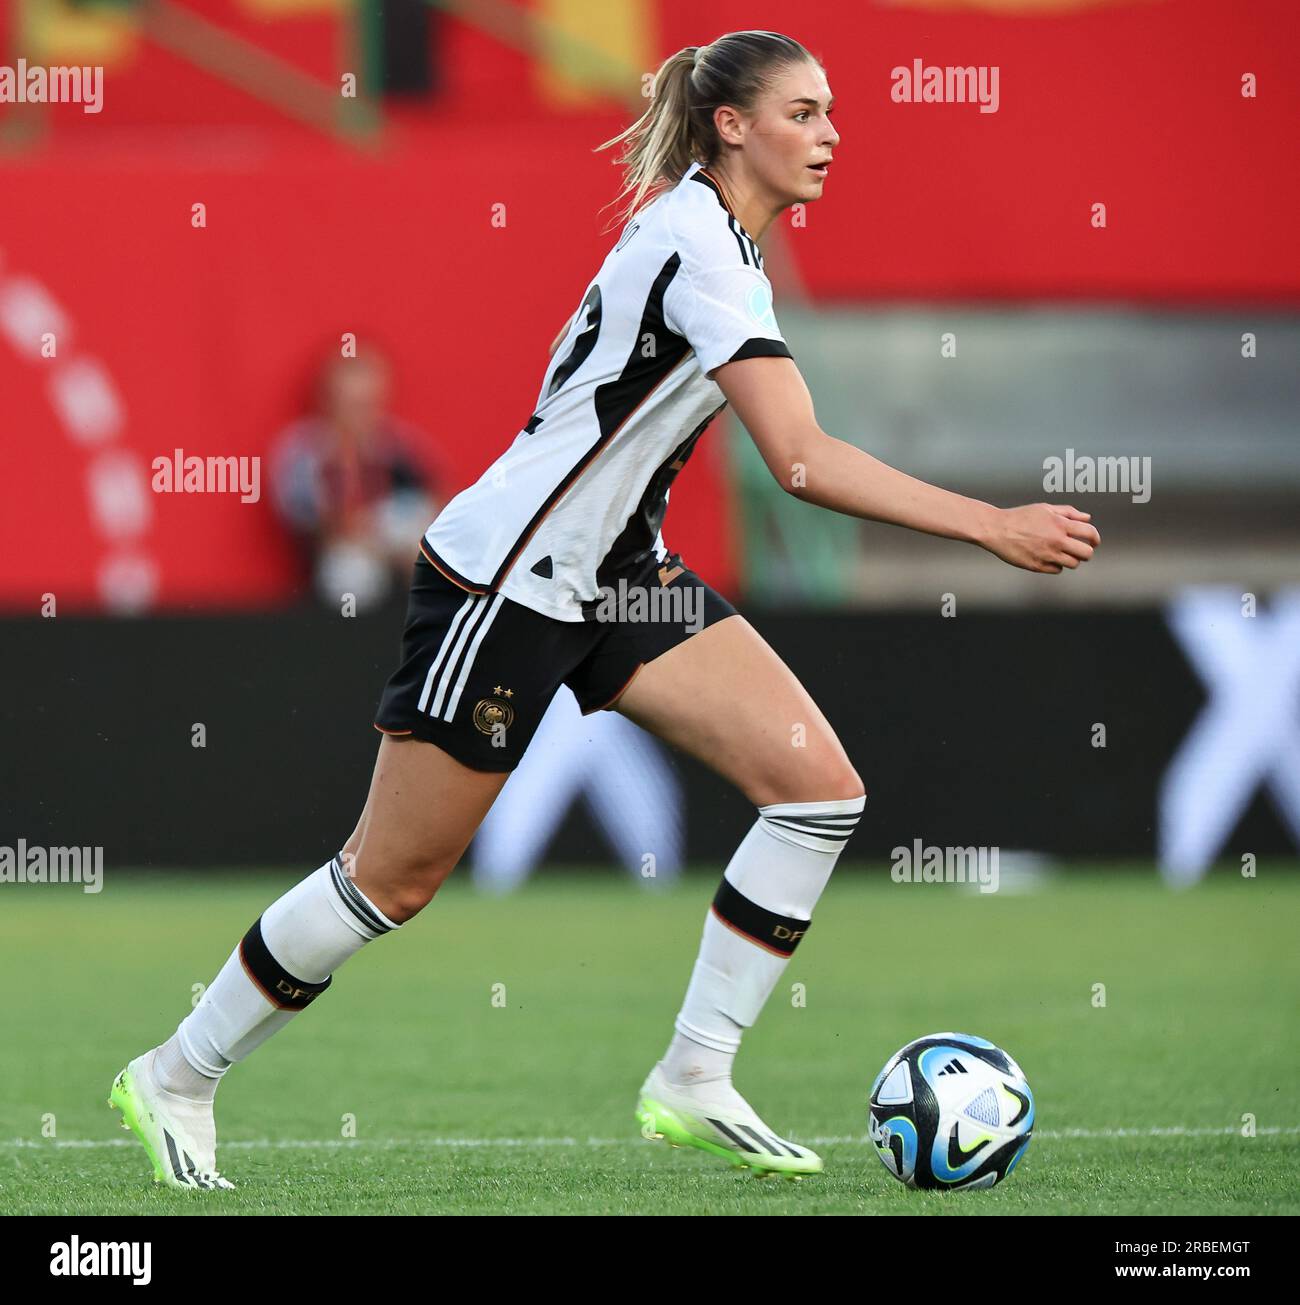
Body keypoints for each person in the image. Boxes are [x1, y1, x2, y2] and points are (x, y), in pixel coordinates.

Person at [109, 30, 1098, 1188]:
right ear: (731, 125)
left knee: (818, 790)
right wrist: (990, 526)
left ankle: (694, 1073)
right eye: (804, 112)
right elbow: (803, 462)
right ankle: (176, 1072)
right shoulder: (704, 251)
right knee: (391, 880)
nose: (830, 136)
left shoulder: (716, 237)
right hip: (512, 580)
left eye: (832, 114)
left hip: (617, 571)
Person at [268, 348, 442, 611]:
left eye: (369, 404)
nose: (361, 415)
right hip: (344, 555)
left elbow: (439, 500)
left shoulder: (397, 444)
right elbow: (307, 518)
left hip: (396, 544)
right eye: (352, 404)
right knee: (350, 579)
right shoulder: (304, 450)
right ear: (328, 399)